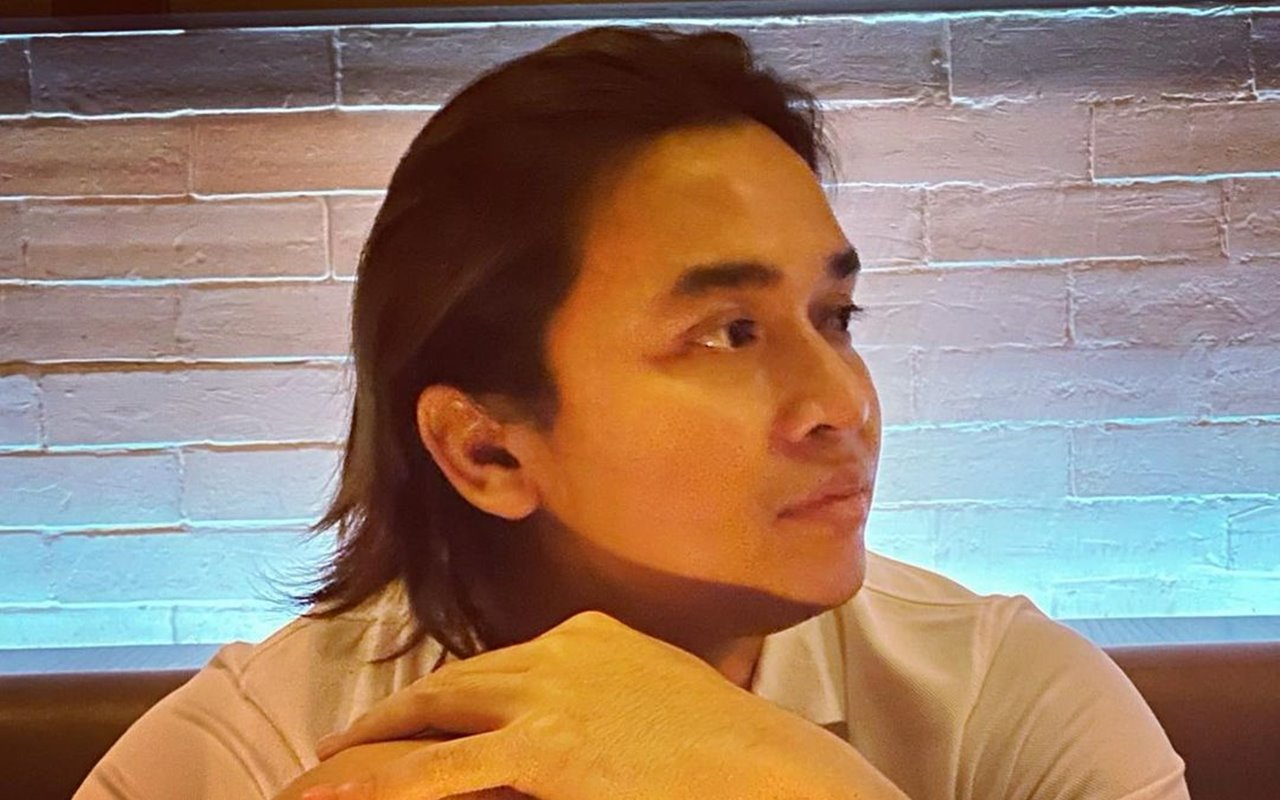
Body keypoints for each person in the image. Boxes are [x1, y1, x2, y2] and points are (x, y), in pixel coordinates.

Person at [73, 25, 1190, 800]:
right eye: (728, 333)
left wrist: (771, 777)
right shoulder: (267, 748)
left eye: (835, 316)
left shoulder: (1000, 703)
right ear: (487, 449)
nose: (843, 402)